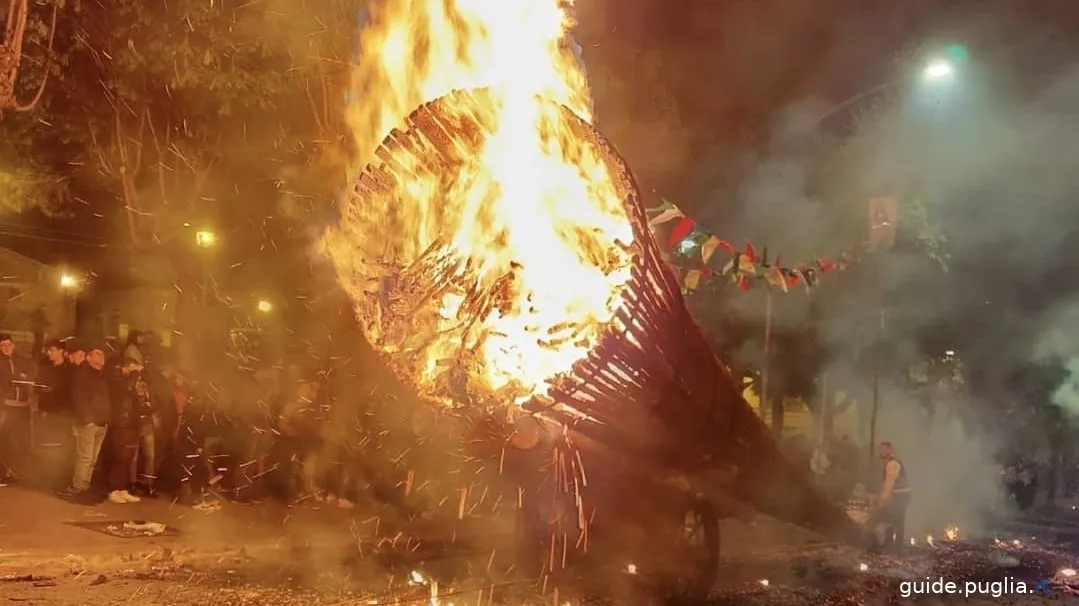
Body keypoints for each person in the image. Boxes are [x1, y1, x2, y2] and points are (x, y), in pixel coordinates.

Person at [65, 344, 111, 502]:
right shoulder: (82, 374)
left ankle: (85, 486)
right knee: (85, 457)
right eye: (97, 354)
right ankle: (79, 488)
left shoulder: (100, 375)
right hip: (90, 423)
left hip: (101, 422)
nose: (101, 358)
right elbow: (78, 399)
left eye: (102, 356)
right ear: (88, 357)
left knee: (92, 458)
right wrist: (87, 420)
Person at [106, 358, 144, 504]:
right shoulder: (117, 378)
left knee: (128, 458)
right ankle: (114, 489)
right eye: (134, 368)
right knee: (119, 457)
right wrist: (133, 376)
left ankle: (122, 489)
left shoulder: (133, 382)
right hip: (121, 423)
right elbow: (123, 393)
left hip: (132, 423)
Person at [36, 340, 72, 490]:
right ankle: (48, 478)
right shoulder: (45, 367)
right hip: (47, 411)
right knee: (48, 446)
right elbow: (37, 385)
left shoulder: (69, 370)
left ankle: (61, 480)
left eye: (52, 350)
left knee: (62, 447)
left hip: (63, 413)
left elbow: (71, 392)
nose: (49, 353)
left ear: (61, 351)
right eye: (48, 350)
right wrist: (40, 390)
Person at [0, 333, 35, 483]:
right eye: (3, 345)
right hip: (6, 407)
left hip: (22, 406)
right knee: (5, 440)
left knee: (22, 440)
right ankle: (3, 473)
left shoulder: (22, 361)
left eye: (9, 344)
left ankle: (18, 472)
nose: (6, 348)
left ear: (13, 345)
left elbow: (31, 378)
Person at [870, 441, 911, 551]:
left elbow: (889, 483)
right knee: (896, 520)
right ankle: (894, 546)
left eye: (884, 449)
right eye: (881, 449)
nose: (881, 452)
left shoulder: (892, 464)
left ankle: (893, 546)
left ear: (889, 451)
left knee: (891, 519)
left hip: (899, 496)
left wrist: (881, 499)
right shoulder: (890, 463)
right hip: (901, 495)